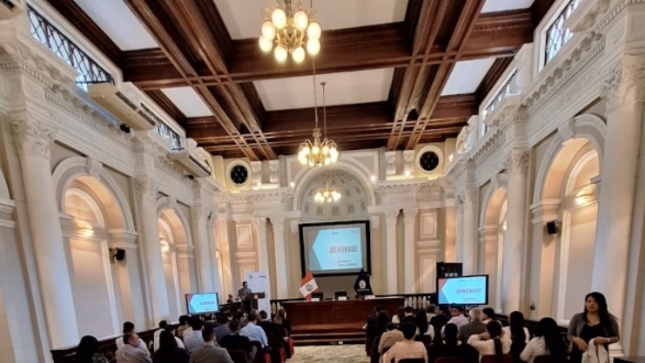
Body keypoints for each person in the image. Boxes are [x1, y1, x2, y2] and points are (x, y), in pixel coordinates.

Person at [568, 291, 620, 363]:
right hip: (579, 353)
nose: (591, 304)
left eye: (595, 301)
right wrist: (577, 340)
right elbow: (569, 335)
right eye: (589, 301)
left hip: (599, 355)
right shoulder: (578, 317)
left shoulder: (609, 319)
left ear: (601, 303)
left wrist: (606, 340)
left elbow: (616, 337)